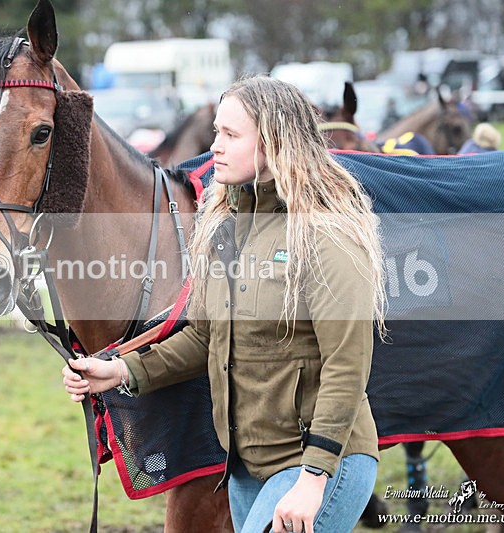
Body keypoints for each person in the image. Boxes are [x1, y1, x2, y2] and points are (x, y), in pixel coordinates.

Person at [63, 75, 387, 533]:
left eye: (231, 135)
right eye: (217, 131)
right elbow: (205, 337)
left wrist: (314, 481)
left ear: (275, 143)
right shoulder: (224, 229)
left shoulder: (325, 233)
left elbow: (347, 365)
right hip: (247, 469)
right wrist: (121, 371)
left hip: (320, 466)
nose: (214, 146)